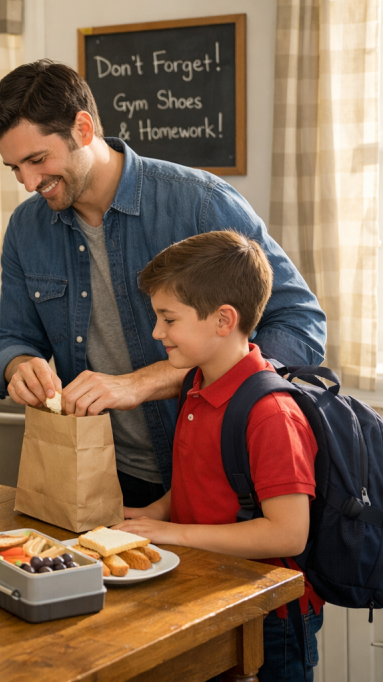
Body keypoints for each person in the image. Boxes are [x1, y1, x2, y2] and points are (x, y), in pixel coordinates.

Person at [0, 60, 326, 506]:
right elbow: (10, 337)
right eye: (14, 168)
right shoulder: (26, 228)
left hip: (223, 473)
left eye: (37, 160)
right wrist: (18, 366)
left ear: (83, 129)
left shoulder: (200, 203)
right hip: (102, 474)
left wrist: (146, 381)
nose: (28, 183)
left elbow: (301, 327)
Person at [116, 230, 322, 681]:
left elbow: (288, 536)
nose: (157, 332)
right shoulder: (198, 384)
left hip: (270, 617)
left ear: (223, 320)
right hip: (213, 594)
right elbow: (199, 477)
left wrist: (173, 533)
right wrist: (145, 516)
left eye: (169, 319)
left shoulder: (271, 415)